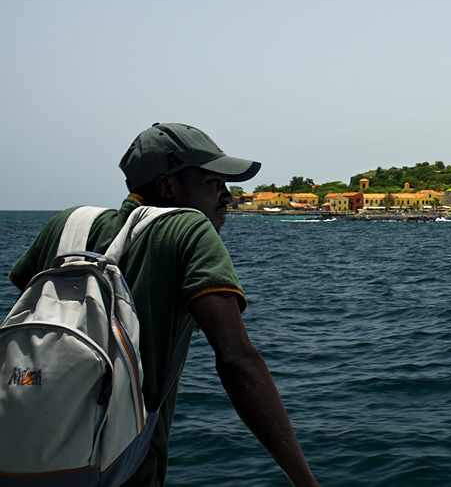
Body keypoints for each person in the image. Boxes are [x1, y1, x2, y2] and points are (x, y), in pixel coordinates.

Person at [7, 123, 318, 487]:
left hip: (23, 460)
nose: (228, 197)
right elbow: (236, 360)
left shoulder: (65, 224)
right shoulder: (189, 228)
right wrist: (304, 482)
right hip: (125, 471)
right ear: (168, 186)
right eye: (213, 183)